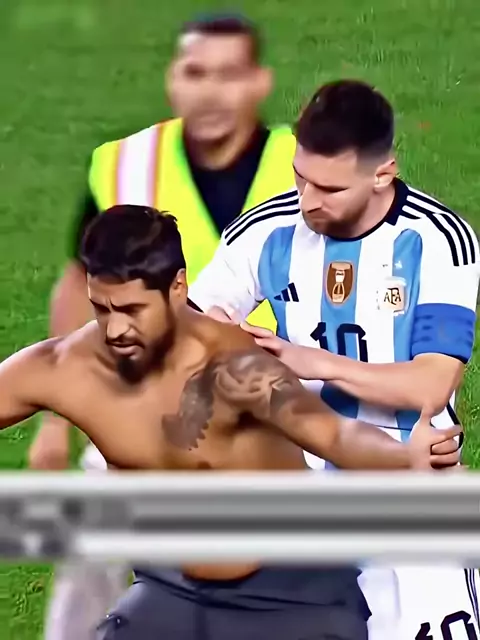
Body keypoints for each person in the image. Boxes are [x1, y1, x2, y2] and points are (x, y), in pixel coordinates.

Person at [0, 206, 459, 640]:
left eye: (132, 310)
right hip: (172, 587)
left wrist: (406, 455)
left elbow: (334, 434)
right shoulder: (66, 369)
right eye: (102, 309)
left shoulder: (235, 368)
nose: (115, 329)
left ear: (177, 288)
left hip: (292, 592)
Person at [31, 14, 295, 638]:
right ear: (173, 80)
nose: (211, 92)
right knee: (90, 561)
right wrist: (54, 422)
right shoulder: (123, 164)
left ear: (259, 83)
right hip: (138, 400)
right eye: (196, 73)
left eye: (229, 74)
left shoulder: (301, 163)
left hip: (266, 410)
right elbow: (79, 280)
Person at [188, 80, 480, 638]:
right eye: (300, 177)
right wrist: (215, 336)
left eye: (329, 188)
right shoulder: (267, 230)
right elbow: (189, 326)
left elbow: (430, 384)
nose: (307, 200)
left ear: (382, 174)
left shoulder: (437, 241)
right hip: (298, 477)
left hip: (410, 472)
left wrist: (310, 361)